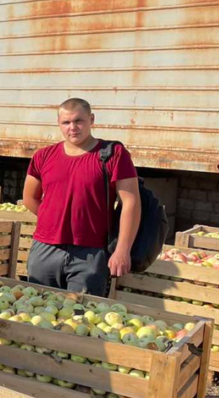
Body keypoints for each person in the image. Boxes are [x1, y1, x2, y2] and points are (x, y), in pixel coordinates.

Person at [23, 98, 140, 296]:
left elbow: (131, 202)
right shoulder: (43, 156)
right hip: (45, 250)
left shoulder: (113, 154)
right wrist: (54, 221)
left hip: (90, 253)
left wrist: (122, 250)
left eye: (79, 121)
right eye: (66, 123)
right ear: (59, 123)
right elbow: (29, 198)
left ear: (91, 119)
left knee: (80, 318)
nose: (73, 128)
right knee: (37, 310)